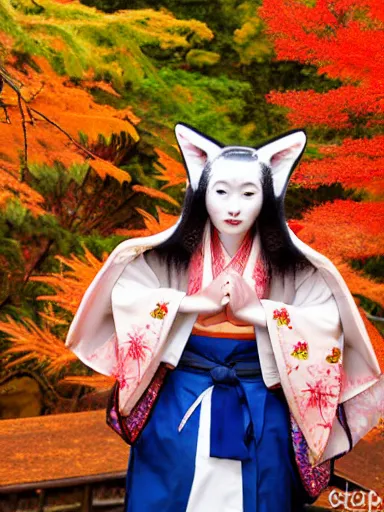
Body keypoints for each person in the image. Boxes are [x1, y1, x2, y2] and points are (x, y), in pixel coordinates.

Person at [65, 124, 383, 512]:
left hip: (259, 402)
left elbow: (326, 321)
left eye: (249, 193)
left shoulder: (292, 265)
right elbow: (126, 296)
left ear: (268, 195)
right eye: (221, 192)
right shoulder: (169, 255)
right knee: (168, 486)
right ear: (202, 190)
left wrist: (263, 313)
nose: (234, 207)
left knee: (260, 492)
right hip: (180, 398)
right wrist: (190, 303)